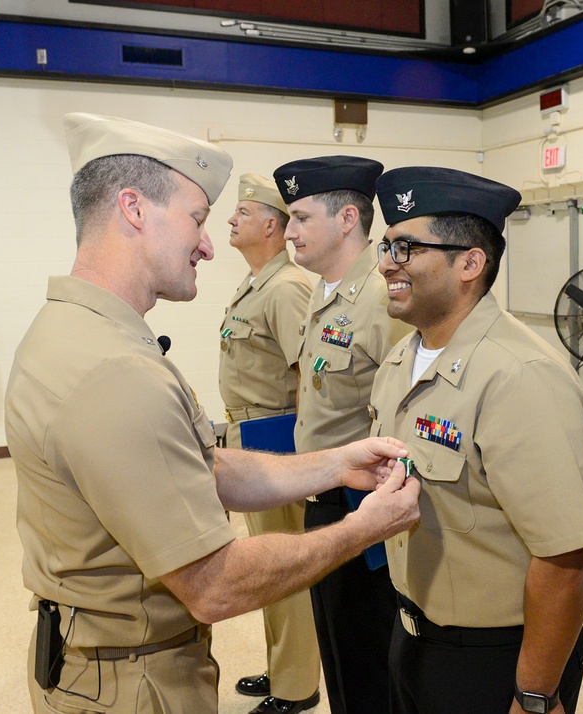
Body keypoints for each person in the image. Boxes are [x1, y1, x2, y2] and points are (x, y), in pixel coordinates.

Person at [4, 113, 420, 714]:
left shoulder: (71, 332)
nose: (206, 243)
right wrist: (363, 528)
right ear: (134, 209)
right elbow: (214, 584)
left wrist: (332, 465)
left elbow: (195, 465)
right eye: (197, 219)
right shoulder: (116, 372)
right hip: (131, 684)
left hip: (97, 662)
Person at [370, 167, 583, 714]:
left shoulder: (518, 374)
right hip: (411, 630)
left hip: (493, 657)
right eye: (386, 246)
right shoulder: (402, 359)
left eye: (405, 247)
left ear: (469, 263)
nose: (386, 263)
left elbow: (565, 553)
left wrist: (536, 693)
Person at [271, 156, 412, 714]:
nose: (289, 232)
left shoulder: (381, 299)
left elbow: (404, 412)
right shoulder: (326, 294)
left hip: (364, 506)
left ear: (347, 217)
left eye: (301, 217)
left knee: (367, 662)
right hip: (323, 495)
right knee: (338, 657)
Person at [220, 174, 322, 714]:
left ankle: (297, 686)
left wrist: (303, 458)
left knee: (283, 566)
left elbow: (310, 375)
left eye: (242, 211)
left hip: (275, 439)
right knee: (267, 564)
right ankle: (283, 664)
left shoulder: (285, 288)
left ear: (270, 225)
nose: (230, 220)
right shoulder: (256, 283)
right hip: (250, 434)